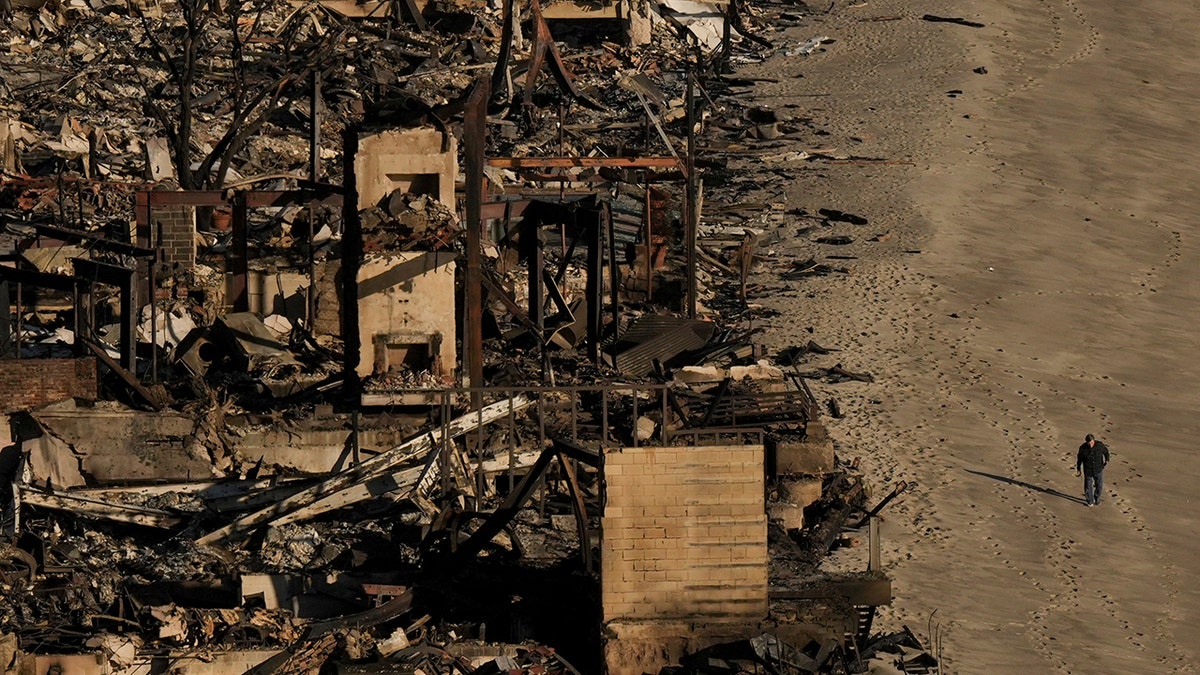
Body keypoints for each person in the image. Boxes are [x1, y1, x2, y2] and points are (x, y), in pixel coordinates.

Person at [1075, 433, 1110, 506]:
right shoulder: (1083, 448)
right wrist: (1078, 468)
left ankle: (1097, 498)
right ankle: (1090, 501)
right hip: (1088, 470)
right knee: (1088, 486)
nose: (1090, 445)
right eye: (1089, 443)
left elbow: (1106, 451)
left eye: (1091, 443)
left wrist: (1107, 459)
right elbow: (1079, 459)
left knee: (1099, 485)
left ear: (1093, 440)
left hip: (1098, 469)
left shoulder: (1099, 445)